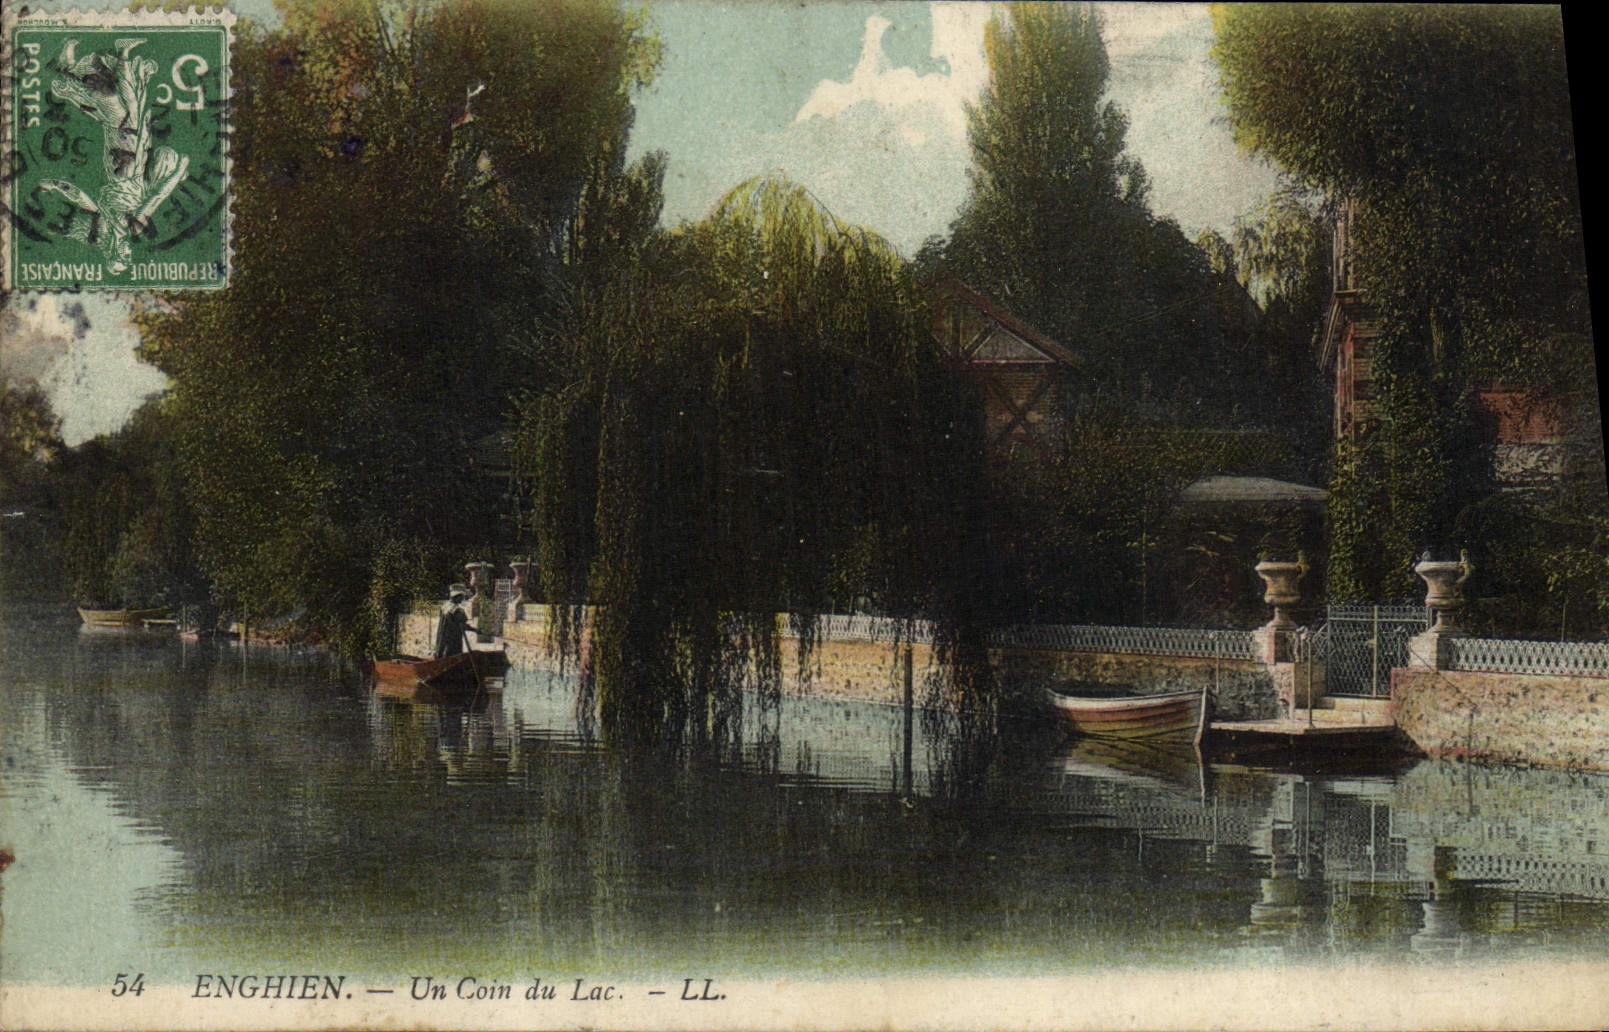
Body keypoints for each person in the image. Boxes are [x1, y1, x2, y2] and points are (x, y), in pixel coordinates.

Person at [433, 585, 483, 658]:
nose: (462, 599)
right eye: (461, 597)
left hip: (443, 637)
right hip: (453, 639)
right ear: (457, 596)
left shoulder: (445, 607)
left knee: (442, 654)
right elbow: (463, 625)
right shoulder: (457, 611)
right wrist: (475, 630)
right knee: (453, 657)